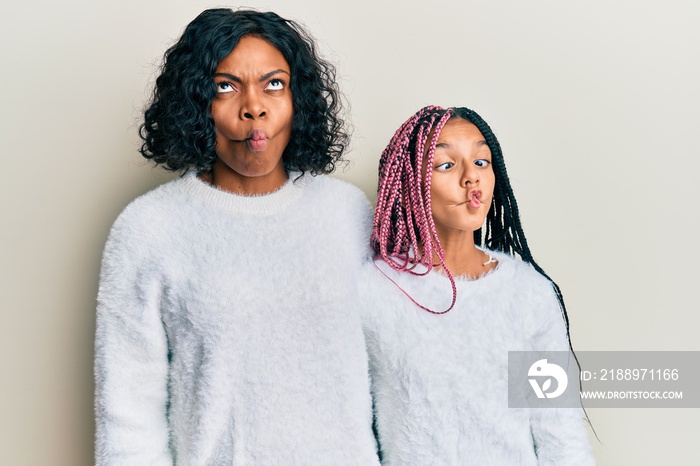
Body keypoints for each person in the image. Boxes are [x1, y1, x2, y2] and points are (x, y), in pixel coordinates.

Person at [95, 9, 379, 465]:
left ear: (298, 98)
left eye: (274, 84)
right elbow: (127, 413)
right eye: (225, 86)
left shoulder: (348, 213)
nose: (254, 106)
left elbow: (396, 372)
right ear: (194, 103)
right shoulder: (148, 229)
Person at [360, 105, 595, 464]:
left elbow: (559, 430)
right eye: (446, 164)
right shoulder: (373, 291)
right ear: (409, 189)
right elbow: (348, 423)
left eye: (481, 162)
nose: (471, 178)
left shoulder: (529, 295)